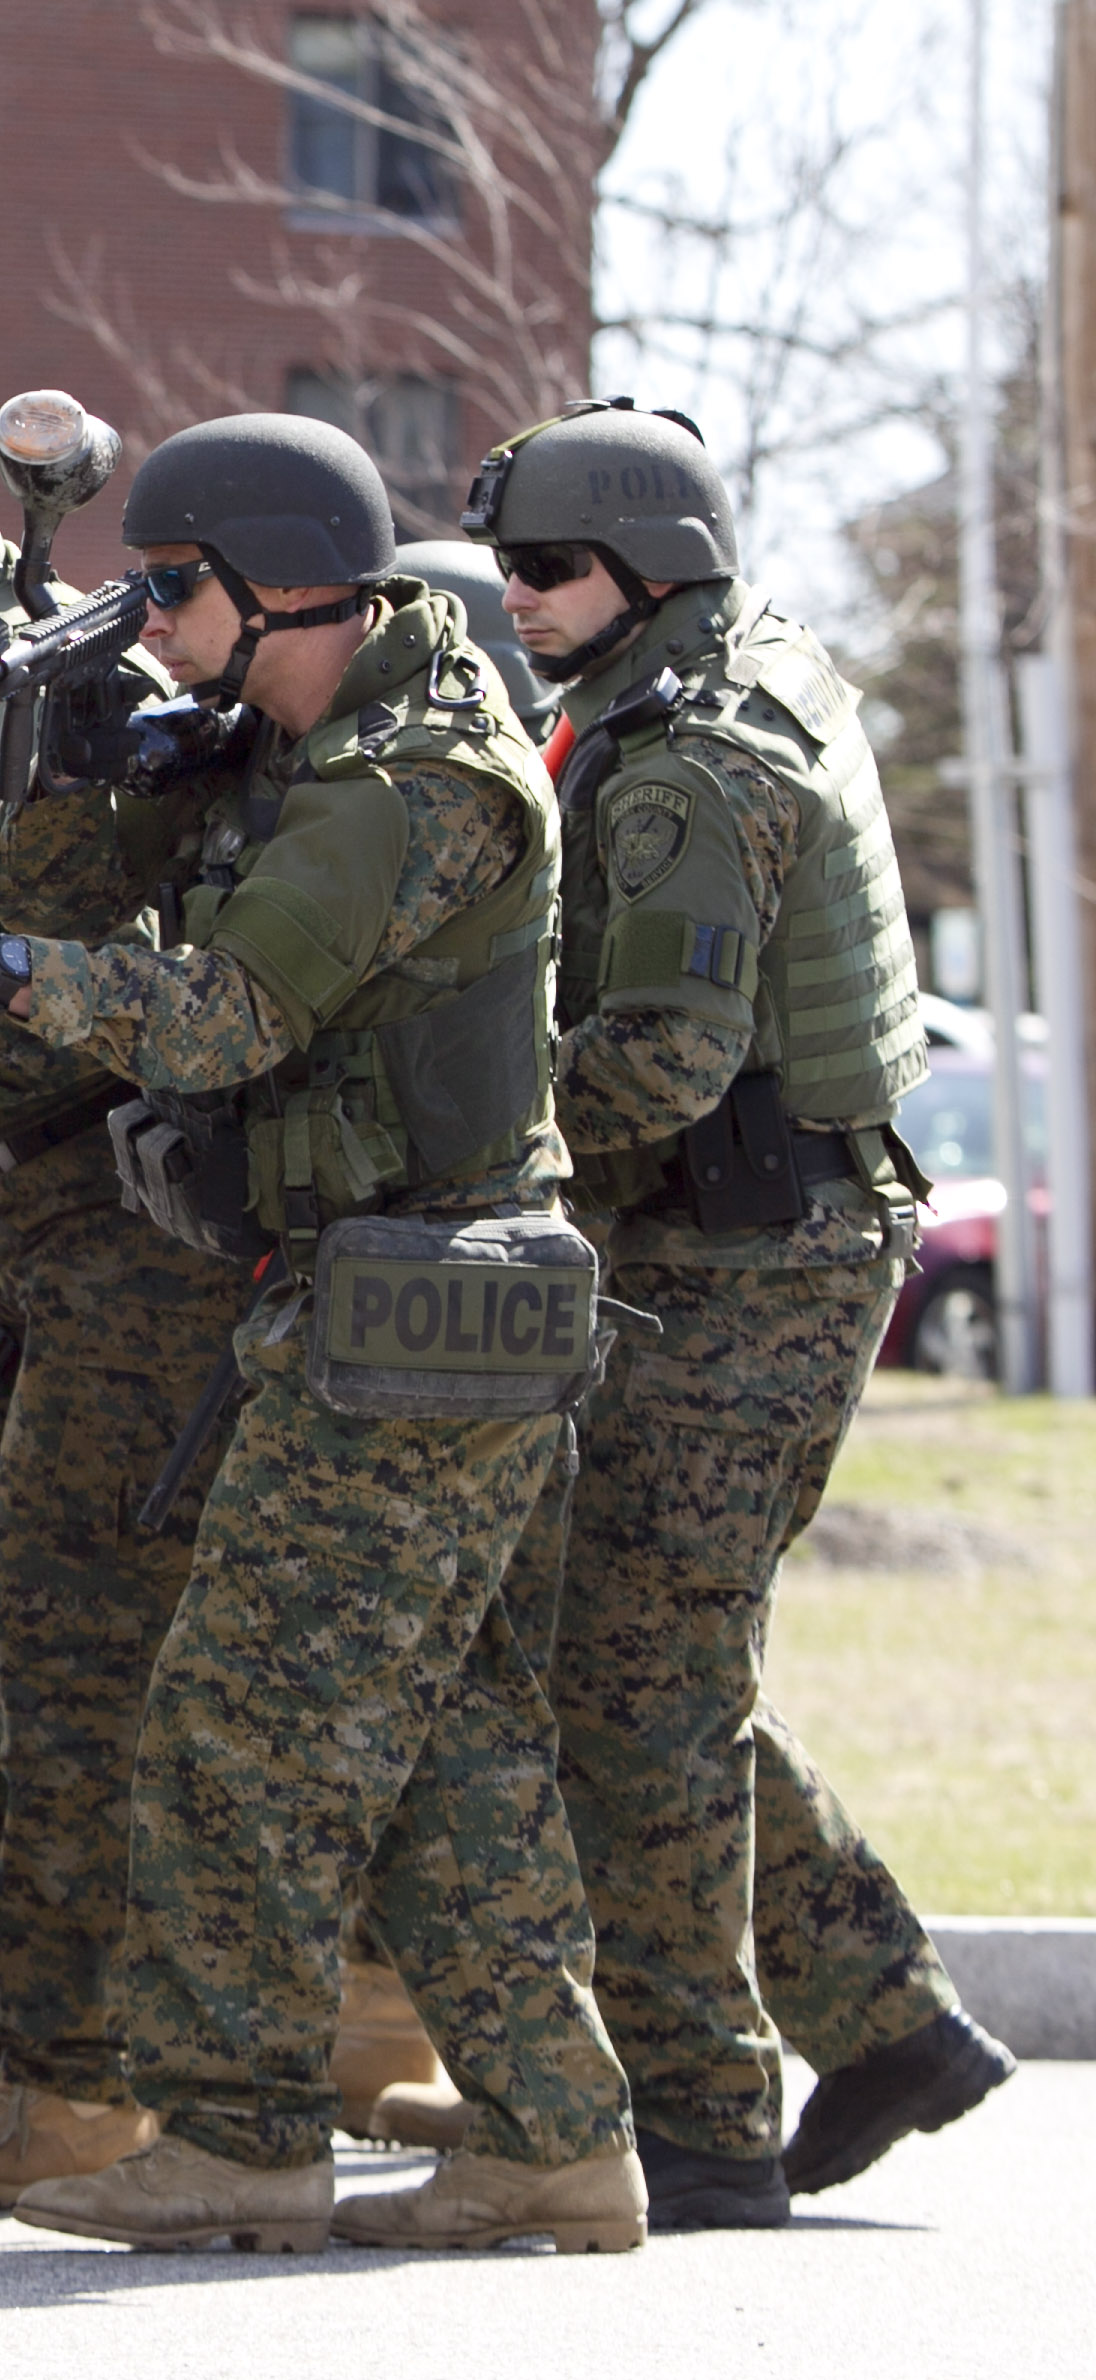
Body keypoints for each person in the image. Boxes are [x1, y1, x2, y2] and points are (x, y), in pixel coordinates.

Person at [0, 412, 643, 2253]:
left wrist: (3, 967)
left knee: (239, 1726)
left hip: (417, 1305)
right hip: (404, 1305)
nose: (151, 621)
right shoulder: (312, 738)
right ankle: (559, 2142)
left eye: (172, 589)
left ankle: (242, 2138)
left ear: (280, 583)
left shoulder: (414, 781)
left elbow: (233, 1015)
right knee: (446, 1753)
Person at [464, 398, 1017, 2228]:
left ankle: (706, 2116)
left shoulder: (694, 761)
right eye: (513, 565)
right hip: (735, 1250)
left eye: (547, 569)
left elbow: (664, 1062)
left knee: (643, 1681)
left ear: (653, 572)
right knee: (649, 1661)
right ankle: (889, 2020)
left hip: (745, 1264)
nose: (516, 596)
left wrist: (455, 1133)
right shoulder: (708, 672)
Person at [0, 522, 255, 2210]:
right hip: (20, 1246)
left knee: (72, 1657)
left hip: (131, 1262)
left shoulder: (103, 739)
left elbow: (23, 1051)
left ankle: (79, 2077)